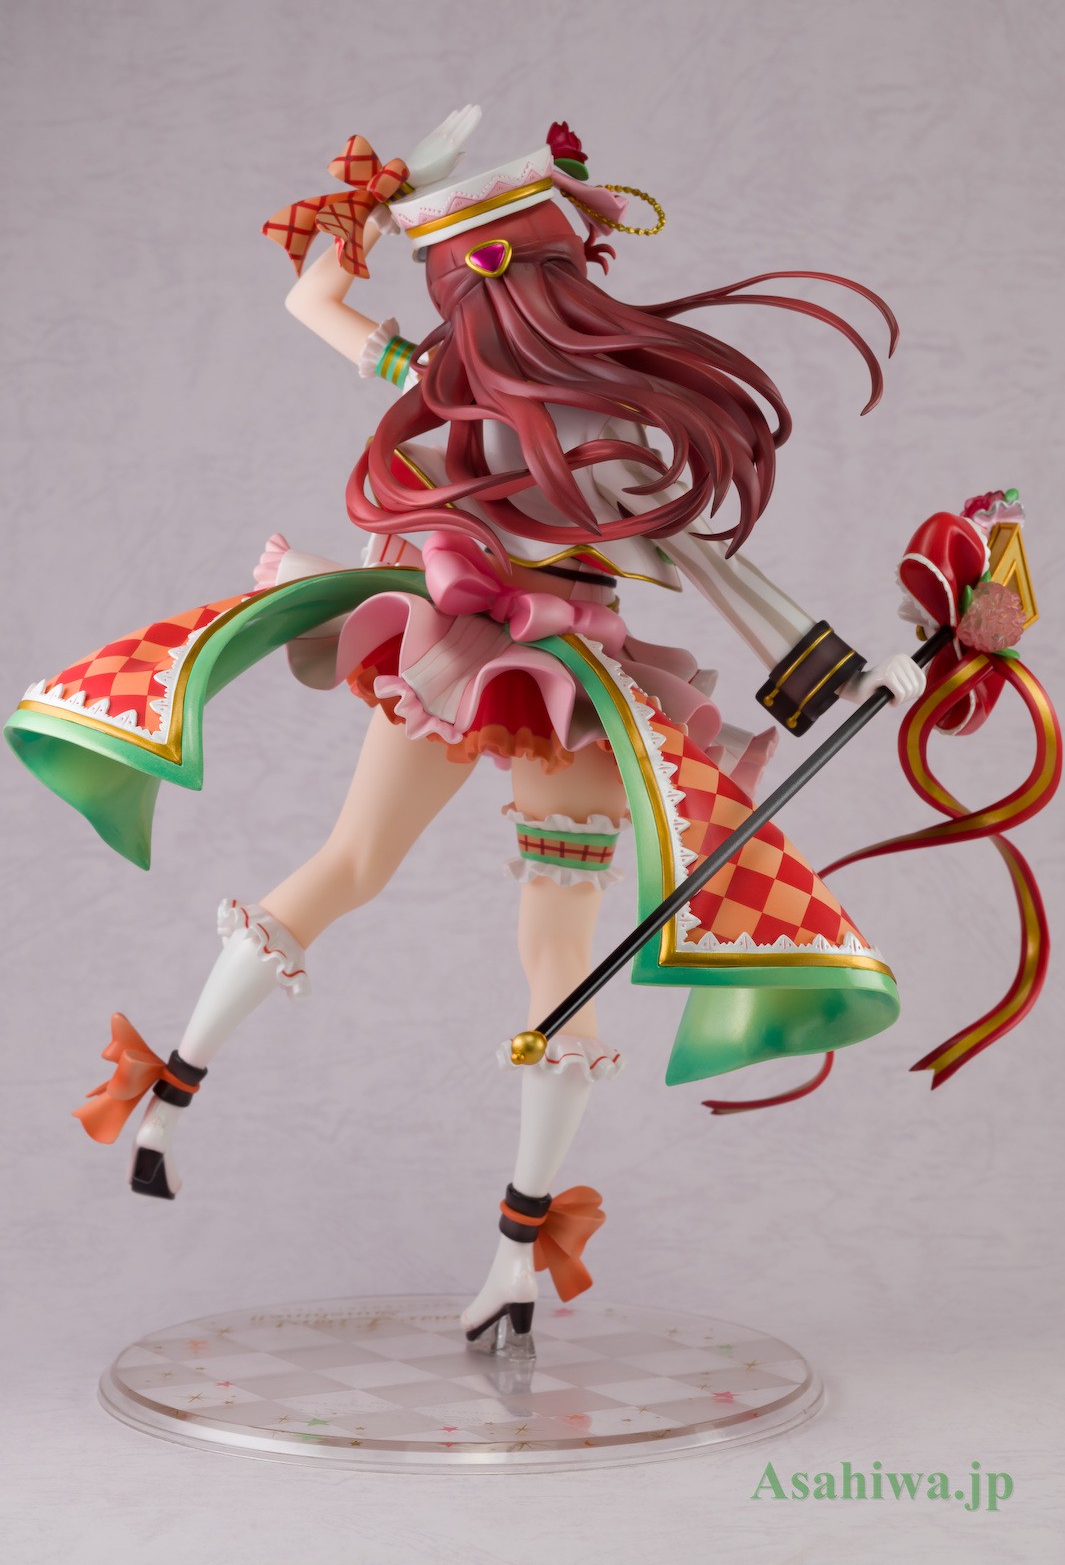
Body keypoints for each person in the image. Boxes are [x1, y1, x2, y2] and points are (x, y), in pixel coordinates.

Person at [12, 109, 929, 1351]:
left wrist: (360, 221)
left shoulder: (447, 381)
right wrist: (852, 676)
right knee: (556, 955)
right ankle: (516, 1246)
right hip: (574, 694)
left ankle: (170, 1092)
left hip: (459, 660)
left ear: (467, 288)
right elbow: (722, 575)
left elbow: (309, 303)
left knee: (352, 867)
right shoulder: (598, 425)